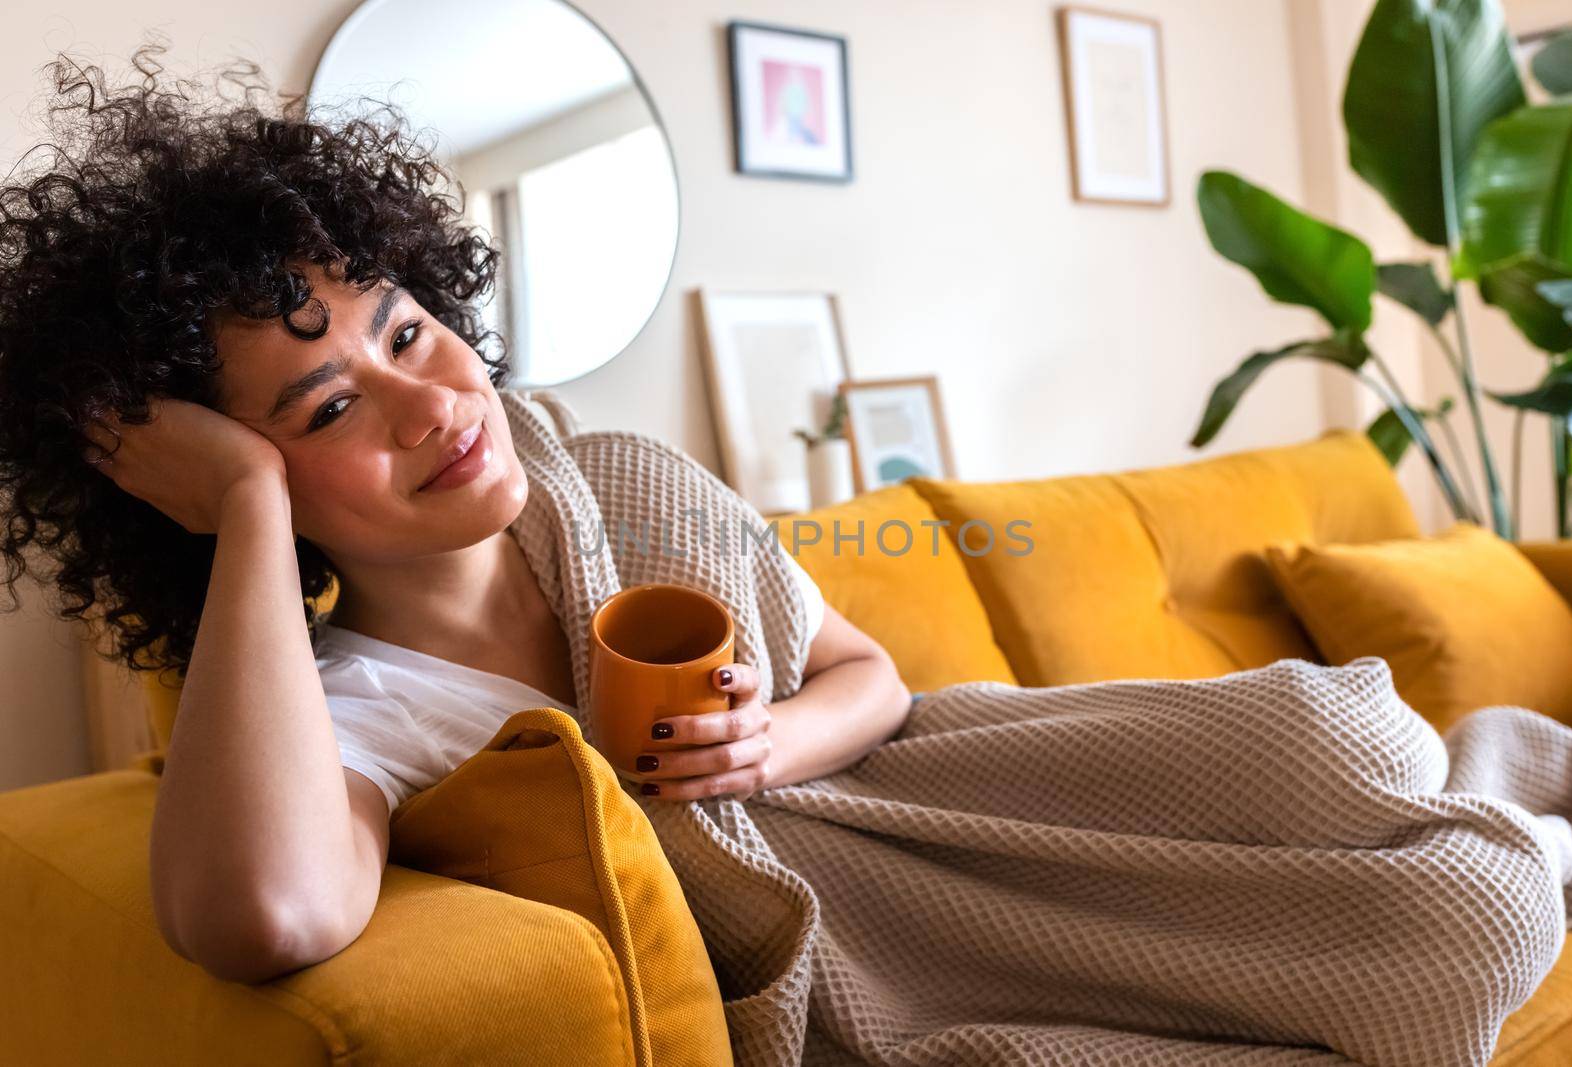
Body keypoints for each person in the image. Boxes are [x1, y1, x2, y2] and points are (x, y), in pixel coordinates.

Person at [0, 43, 911, 984]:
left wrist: (766, 747)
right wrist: (246, 501)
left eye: (406, 333)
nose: (432, 405)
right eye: (331, 409)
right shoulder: (362, 713)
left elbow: (873, 677)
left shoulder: (627, 480)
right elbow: (264, 917)